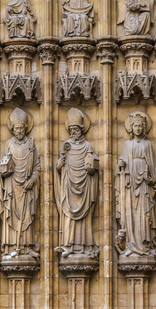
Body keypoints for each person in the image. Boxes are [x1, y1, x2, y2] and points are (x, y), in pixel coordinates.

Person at [55, 108, 99, 258]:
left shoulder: (87, 146)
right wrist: (61, 160)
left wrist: (91, 169)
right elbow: (59, 167)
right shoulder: (66, 146)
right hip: (69, 186)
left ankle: (85, 246)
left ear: (82, 130)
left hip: (84, 186)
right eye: (72, 129)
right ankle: (68, 244)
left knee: (84, 219)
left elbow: (92, 164)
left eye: (76, 129)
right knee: (68, 215)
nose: (74, 132)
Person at [0, 108, 40, 258]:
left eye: (21, 128)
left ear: (26, 128)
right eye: (16, 128)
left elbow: (37, 166)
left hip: (26, 186)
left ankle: (27, 247)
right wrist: (2, 170)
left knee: (27, 215)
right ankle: (10, 246)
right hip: (11, 185)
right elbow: (3, 163)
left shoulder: (31, 145)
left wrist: (33, 179)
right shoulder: (8, 144)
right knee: (11, 213)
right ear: (12, 129)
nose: (19, 131)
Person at [115, 111, 156, 257]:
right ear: (131, 128)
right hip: (130, 185)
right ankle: (131, 245)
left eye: (140, 126)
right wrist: (120, 165)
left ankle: (144, 246)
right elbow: (121, 165)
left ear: (144, 128)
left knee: (144, 215)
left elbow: (152, 167)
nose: (138, 129)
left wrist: (152, 179)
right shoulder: (127, 145)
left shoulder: (147, 145)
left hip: (143, 185)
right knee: (130, 215)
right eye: (135, 126)